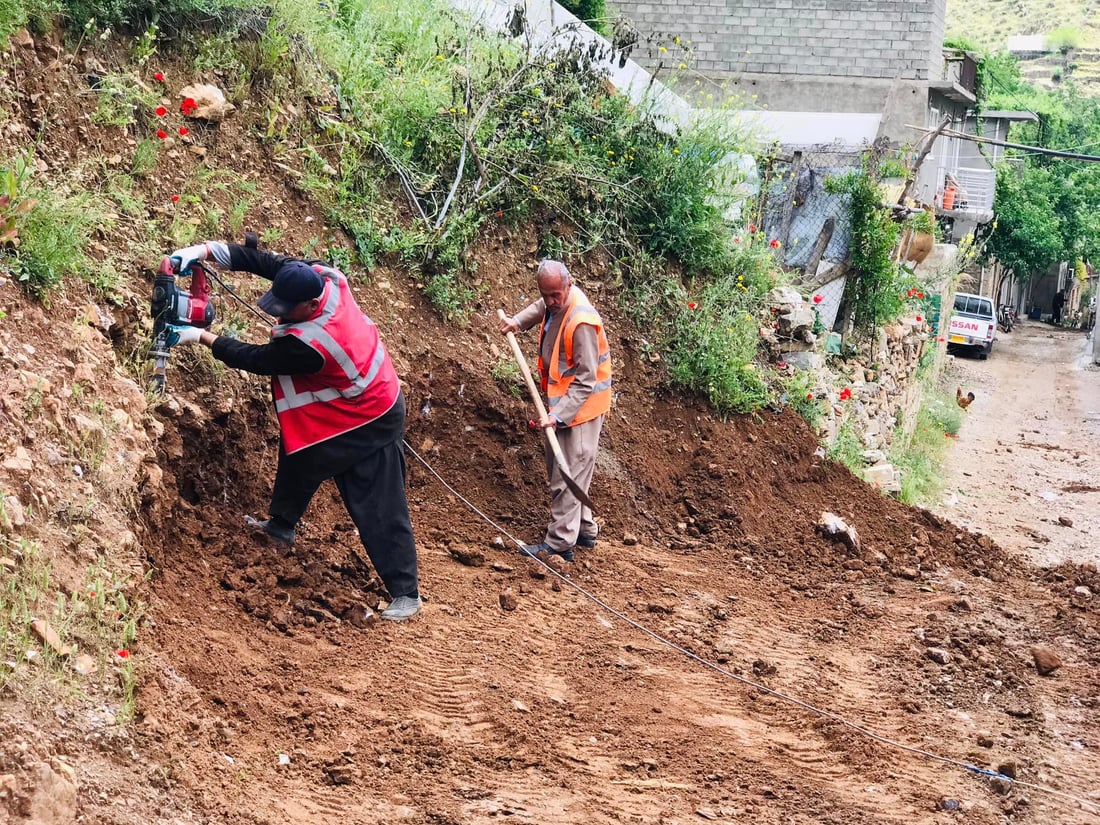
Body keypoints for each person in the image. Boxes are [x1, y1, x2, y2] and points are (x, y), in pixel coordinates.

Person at [163, 240, 422, 621]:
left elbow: (257, 359)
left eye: (286, 310)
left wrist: (199, 336)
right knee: (304, 450)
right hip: (344, 400)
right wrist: (205, 252)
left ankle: (406, 592)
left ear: (307, 306)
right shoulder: (320, 276)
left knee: (376, 500)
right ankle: (281, 525)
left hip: (373, 414)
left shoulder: (313, 344)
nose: (279, 313)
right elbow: (264, 260)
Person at [498, 259, 612, 563]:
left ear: (569, 284)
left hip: (582, 408)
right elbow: (540, 307)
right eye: (545, 294)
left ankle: (561, 542)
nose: (550, 302)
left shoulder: (582, 321)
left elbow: (587, 378)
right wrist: (518, 322)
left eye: (555, 296)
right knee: (569, 468)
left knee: (567, 471)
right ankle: (585, 529)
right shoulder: (554, 300)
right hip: (562, 403)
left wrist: (559, 415)